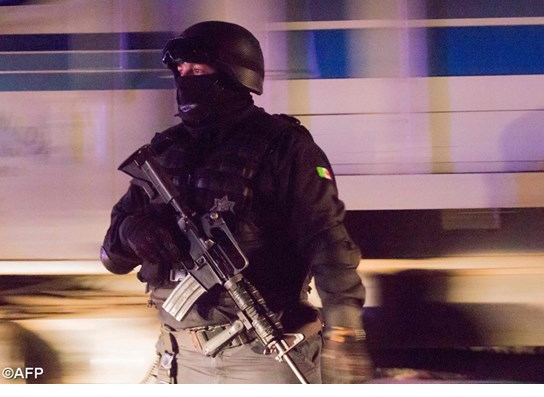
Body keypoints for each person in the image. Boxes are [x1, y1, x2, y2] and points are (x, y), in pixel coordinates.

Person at [100, 21, 373, 384]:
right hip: (177, 358)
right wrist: (133, 229)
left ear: (233, 76)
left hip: (260, 355)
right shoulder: (164, 153)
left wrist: (345, 329)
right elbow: (111, 255)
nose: (184, 79)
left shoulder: (284, 147)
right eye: (180, 70)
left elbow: (326, 238)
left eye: (196, 70)